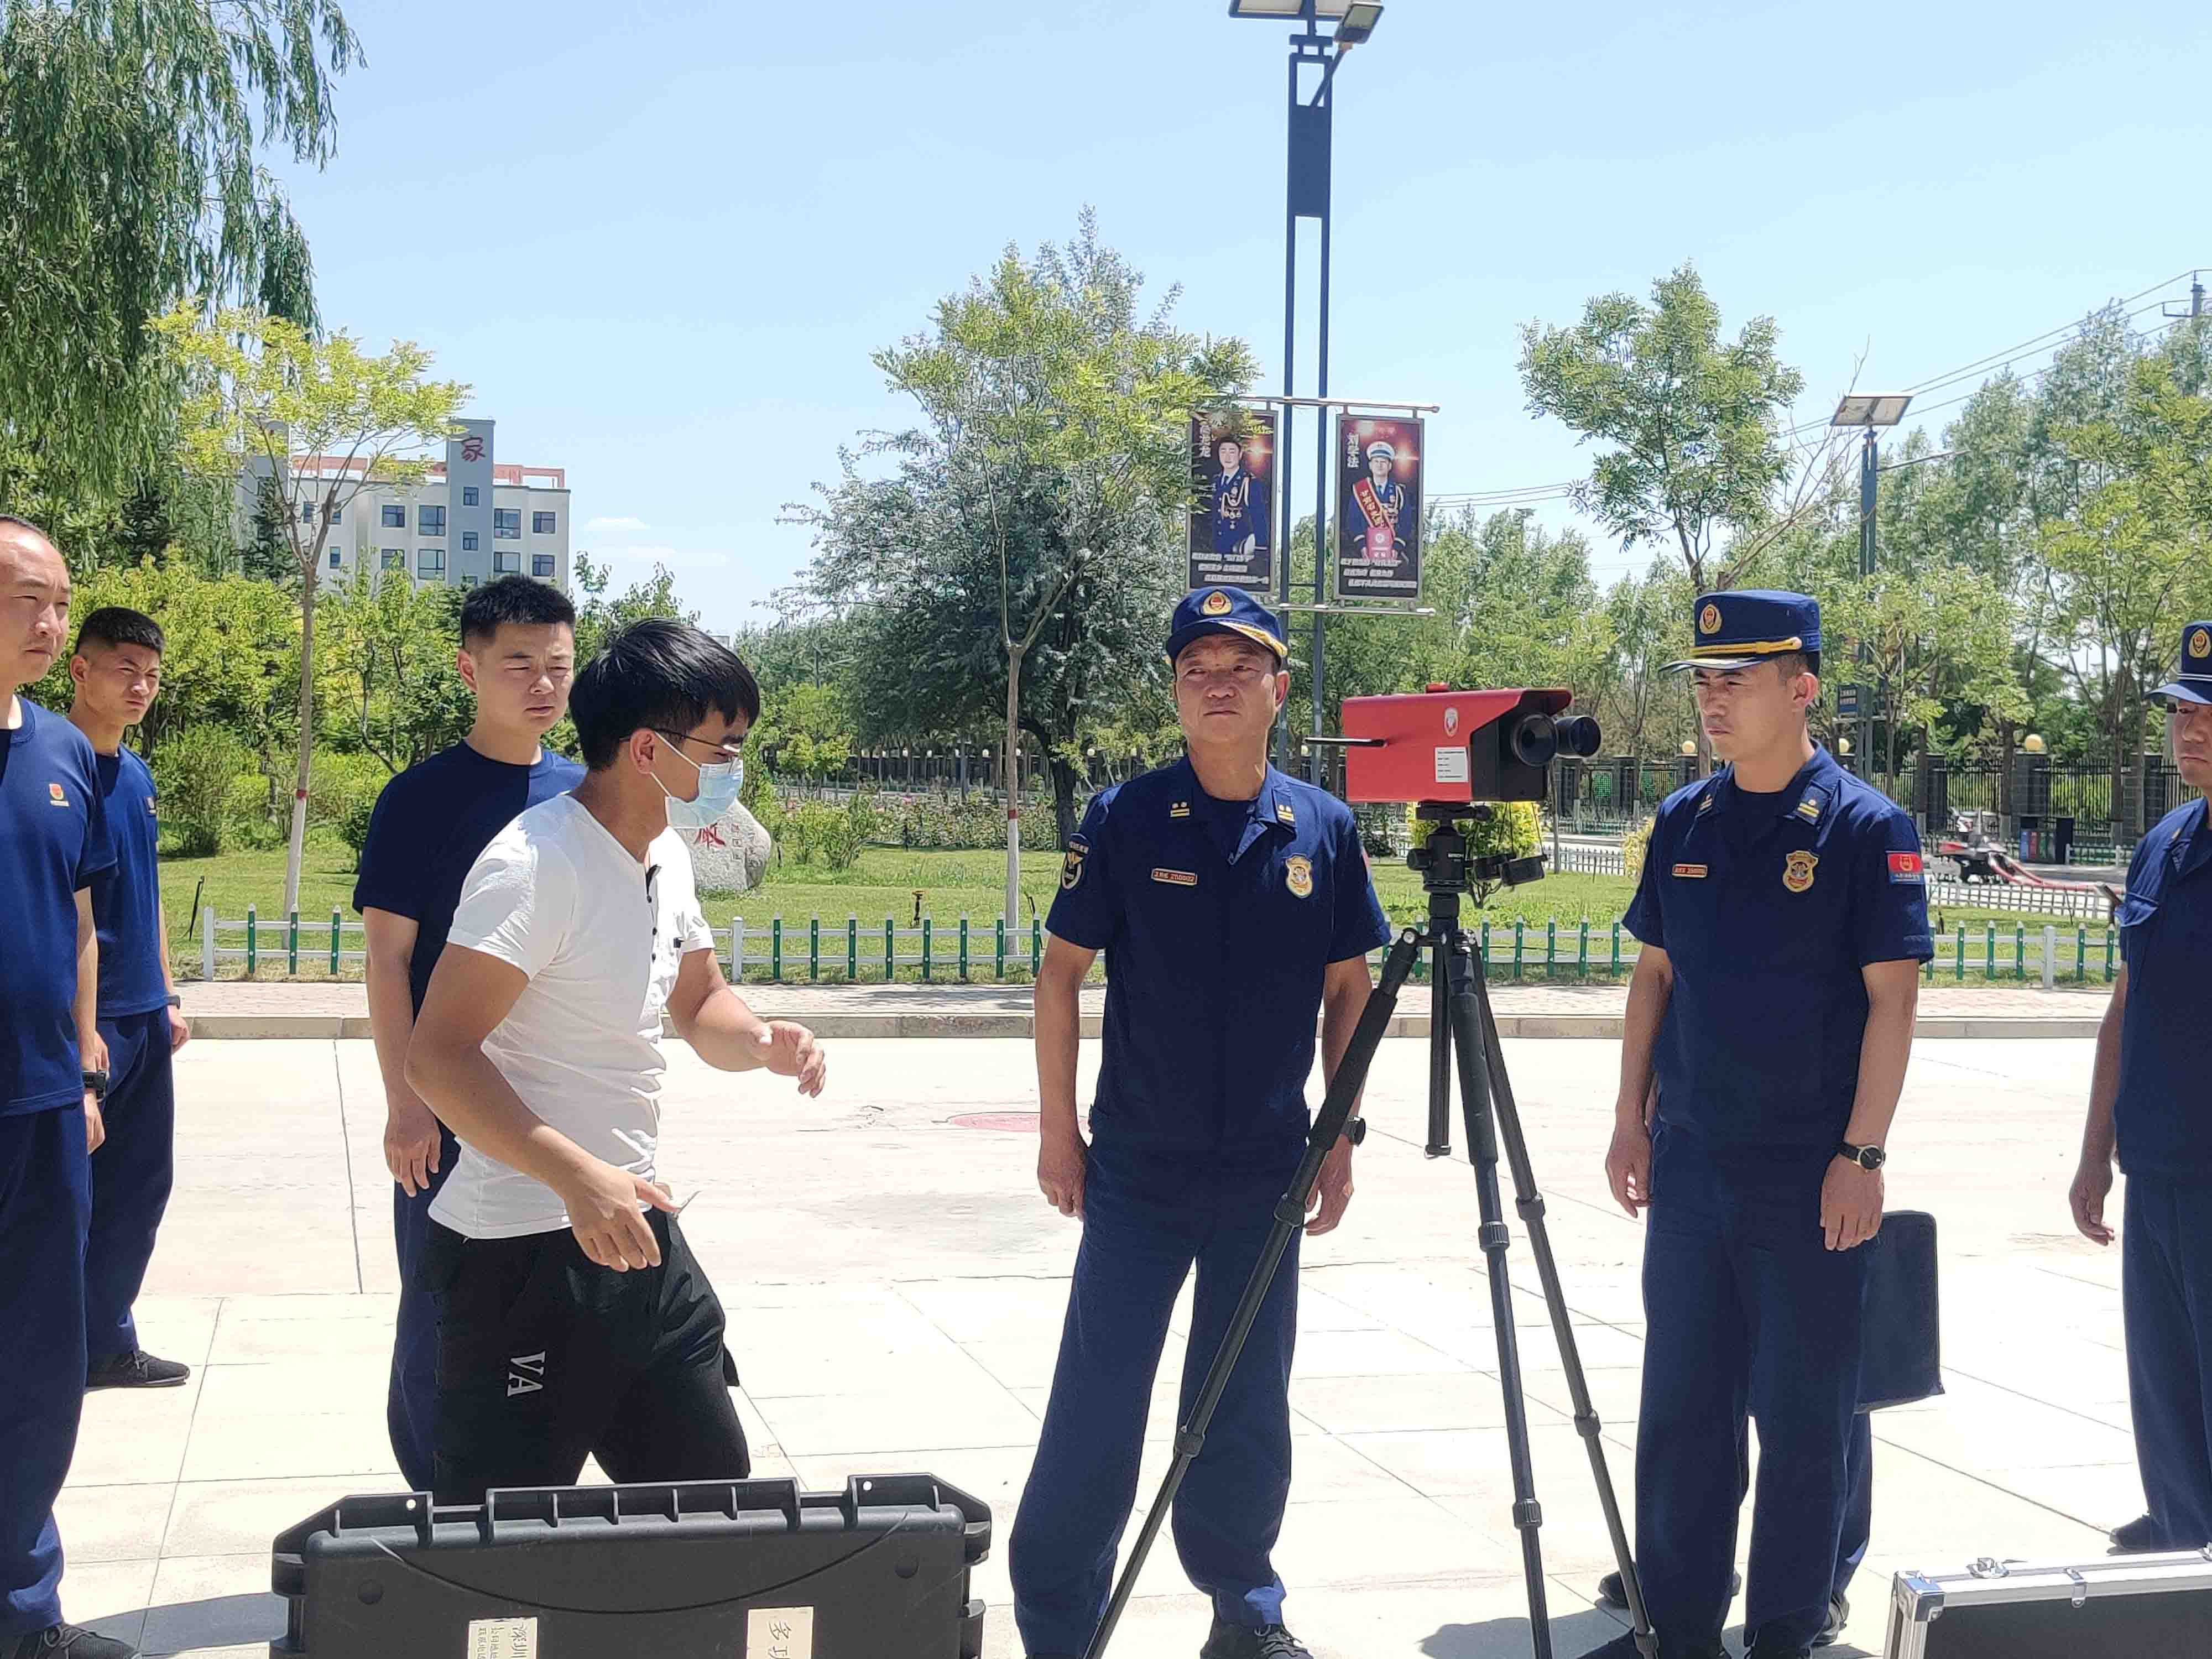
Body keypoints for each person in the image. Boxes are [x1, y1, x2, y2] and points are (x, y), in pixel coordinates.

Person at [1009, 587, 1392, 1659]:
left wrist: (1340, 1137)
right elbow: (1058, 975)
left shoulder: (1321, 827)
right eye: (1195, 670)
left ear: (1279, 688)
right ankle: (1057, 1624)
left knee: (1245, 1406)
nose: (1216, 685)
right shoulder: (1124, 818)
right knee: (1099, 1400)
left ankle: (1244, 1612)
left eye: (1239, 666)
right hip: (1140, 1169)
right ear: (1175, 694)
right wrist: (1056, 1133)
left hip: (1267, 1172)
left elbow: (1349, 991)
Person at [404, 618, 826, 1504]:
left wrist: (761, 1041)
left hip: (639, 1235)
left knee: (709, 1509)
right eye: (723, 747)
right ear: (646, 750)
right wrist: (575, 1177)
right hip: (518, 1253)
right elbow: (438, 1057)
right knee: (508, 1548)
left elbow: (699, 1002)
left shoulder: (666, 852)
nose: (735, 766)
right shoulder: (535, 867)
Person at [1593, 591, 1931, 1659]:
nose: (1712, 699)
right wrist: (1629, 1119)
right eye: (1704, 680)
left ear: (1803, 687)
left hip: (1808, 1174)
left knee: (1803, 1417)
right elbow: (1655, 976)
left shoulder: (1866, 829)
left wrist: (1862, 1154)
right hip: (1694, 1164)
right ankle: (1677, 1623)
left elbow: (1893, 1001)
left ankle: (1787, 1627)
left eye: (1735, 680)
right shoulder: (1684, 821)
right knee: (1683, 1409)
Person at [353, 574, 583, 1493]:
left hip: (558, 1102)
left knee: (556, 1305)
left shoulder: (586, 795)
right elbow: (388, 961)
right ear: (468, 669)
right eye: (519, 663)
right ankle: (438, 1497)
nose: (543, 684)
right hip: (451, 1101)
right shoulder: (420, 799)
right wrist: (406, 1103)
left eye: (558, 665)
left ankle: (532, 1491)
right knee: (442, 1304)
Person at [0, 516, 132, 1659]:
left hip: (42, 1107)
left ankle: (24, 1612)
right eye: (23, 598)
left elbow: (82, 919)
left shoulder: (58, 753)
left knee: (41, 1370)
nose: (48, 622)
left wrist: (85, 1063)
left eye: (57, 600)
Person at [2072, 619, 2212, 1554]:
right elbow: (2127, 1004)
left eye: (2209, 714)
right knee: (2167, 1400)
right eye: (2180, 711)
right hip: (2159, 1170)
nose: (2189, 729)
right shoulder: (2165, 843)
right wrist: (2095, 1154)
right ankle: (2183, 1544)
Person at [66, 608, 192, 1392]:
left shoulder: (136, 774)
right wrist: (82, 1032)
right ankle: (55, 1348)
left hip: (144, 1012)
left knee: (141, 1186)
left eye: (151, 675)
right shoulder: (52, 766)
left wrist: (168, 994)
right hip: (90, 1019)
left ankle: (107, 1341)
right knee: (73, 1195)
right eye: (125, 671)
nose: (141, 687)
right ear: (80, 670)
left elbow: (149, 893)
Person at [1344, 440, 1408, 564]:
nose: (1380, 465)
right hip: (1364, 553)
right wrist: (1362, 546)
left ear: (1390, 466)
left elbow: (1406, 523)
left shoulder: (1399, 492)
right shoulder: (1360, 490)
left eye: (1383, 462)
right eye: (1376, 462)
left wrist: (1397, 547)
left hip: (1393, 554)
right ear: (1370, 465)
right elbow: (1353, 521)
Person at [1211, 436, 1267, 562]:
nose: (1227, 457)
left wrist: (1260, 550)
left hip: (1240, 552)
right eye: (1223, 451)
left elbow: (1259, 517)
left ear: (1240, 454)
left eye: (1232, 452)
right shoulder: (1215, 481)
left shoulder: (1249, 482)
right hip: (1215, 552)